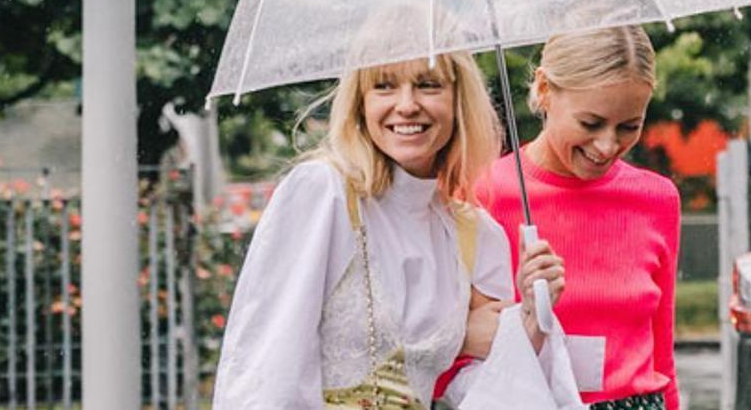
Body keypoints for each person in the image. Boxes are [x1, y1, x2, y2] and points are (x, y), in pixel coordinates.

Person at [213, 52, 575, 409]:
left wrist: (530, 320)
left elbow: (482, 395)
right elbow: (268, 371)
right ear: (361, 102)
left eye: (428, 85)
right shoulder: (323, 193)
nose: (406, 105)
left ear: (458, 100)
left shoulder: (476, 233)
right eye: (384, 86)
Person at [472, 26, 681, 410]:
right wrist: (526, 313)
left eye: (629, 126)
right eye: (590, 123)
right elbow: (454, 350)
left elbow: (661, 356)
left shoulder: (657, 199)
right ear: (545, 89)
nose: (607, 146)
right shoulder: (481, 193)